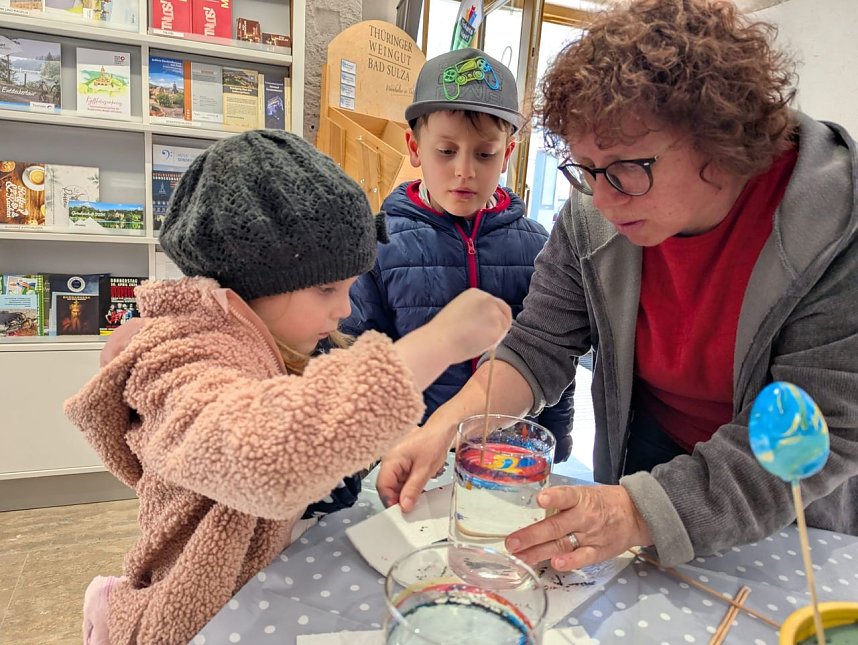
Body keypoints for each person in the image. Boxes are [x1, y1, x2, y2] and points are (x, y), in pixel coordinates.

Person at [377, 0, 858, 573]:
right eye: (585, 170)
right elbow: (539, 344)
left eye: (627, 169)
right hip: (649, 457)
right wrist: (448, 426)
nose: (601, 201)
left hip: (786, 503)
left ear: (720, 140)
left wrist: (637, 510)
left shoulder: (835, 225)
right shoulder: (597, 210)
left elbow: (821, 431)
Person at [64, 130, 511, 645]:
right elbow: (266, 454)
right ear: (251, 279)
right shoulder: (177, 363)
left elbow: (321, 411)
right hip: (185, 621)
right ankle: (111, 607)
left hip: (252, 592)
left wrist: (400, 440)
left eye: (348, 288)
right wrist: (437, 343)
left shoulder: (275, 335)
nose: (344, 308)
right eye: (327, 289)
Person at [342, 47, 574, 463]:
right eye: (446, 151)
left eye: (484, 154)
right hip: (407, 456)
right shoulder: (378, 244)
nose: (464, 171)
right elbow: (357, 358)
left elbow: (553, 360)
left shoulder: (540, 247)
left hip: (505, 460)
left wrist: (554, 451)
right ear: (414, 147)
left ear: (507, 154)